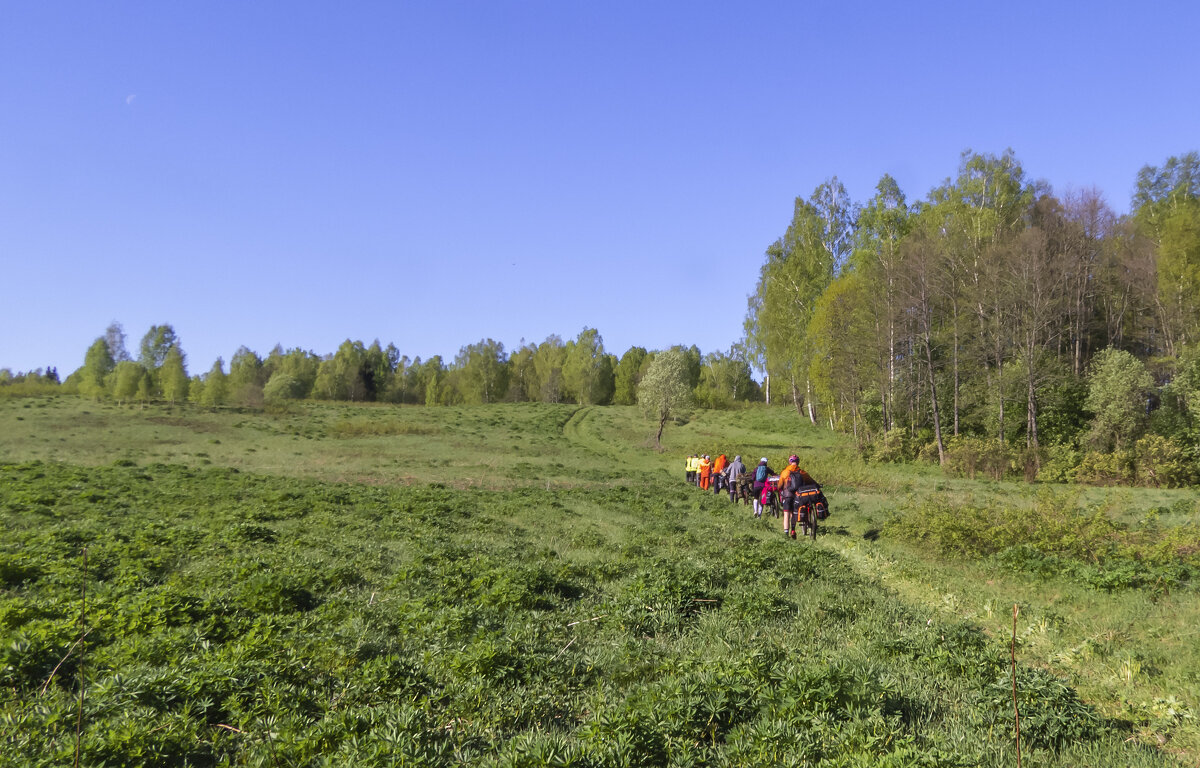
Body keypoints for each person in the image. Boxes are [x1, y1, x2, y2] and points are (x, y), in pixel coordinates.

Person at [777, 454, 818, 538]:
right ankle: (793, 530)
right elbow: (811, 481)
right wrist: (817, 485)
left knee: (786, 514)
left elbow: (779, 485)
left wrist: (779, 488)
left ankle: (786, 533)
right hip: (799, 496)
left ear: (789, 462)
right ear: (798, 462)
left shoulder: (785, 472)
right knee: (795, 513)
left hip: (787, 495)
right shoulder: (802, 472)